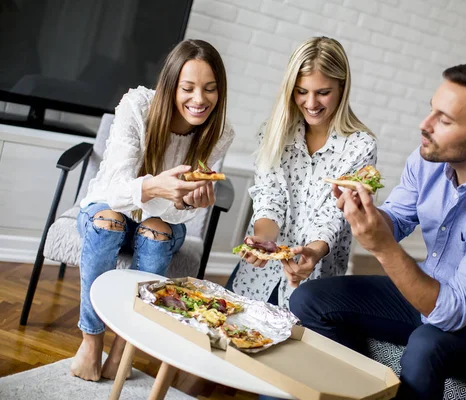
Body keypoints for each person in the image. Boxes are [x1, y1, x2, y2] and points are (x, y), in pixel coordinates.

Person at [290, 62, 466, 399]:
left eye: (444, 120)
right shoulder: (426, 159)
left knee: (426, 345)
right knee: (308, 299)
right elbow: (396, 221)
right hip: (431, 292)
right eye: (431, 110)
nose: (424, 126)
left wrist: (382, 247)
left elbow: (451, 312)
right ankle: (360, 393)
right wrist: (366, 211)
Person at [70, 39, 235, 381]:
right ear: (171, 84)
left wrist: (187, 200)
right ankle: (91, 338)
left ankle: (124, 345)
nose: (199, 100)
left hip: (162, 223)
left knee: (158, 234)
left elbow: (182, 216)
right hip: (108, 210)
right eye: (188, 88)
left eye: (210, 89)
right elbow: (114, 187)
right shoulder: (138, 105)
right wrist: (152, 186)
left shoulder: (220, 132)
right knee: (108, 222)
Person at [226, 36, 377, 308]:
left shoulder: (360, 146)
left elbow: (335, 214)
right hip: (257, 276)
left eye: (322, 92)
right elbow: (269, 196)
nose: (310, 102)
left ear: (342, 88)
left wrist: (313, 252)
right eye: (301, 91)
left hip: (315, 283)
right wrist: (263, 241)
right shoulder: (272, 133)